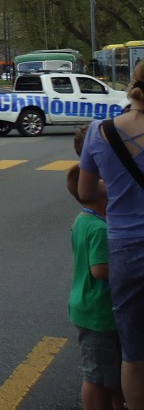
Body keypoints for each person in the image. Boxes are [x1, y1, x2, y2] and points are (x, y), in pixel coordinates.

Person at [79, 59, 144, 409]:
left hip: (126, 249)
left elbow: (87, 193)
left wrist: (116, 185)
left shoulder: (100, 131)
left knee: (134, 353)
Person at [67, 143, 125, 409]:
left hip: (89, 307)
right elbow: (100, 269)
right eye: (100, 178)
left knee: (110, 371)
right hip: (97, 311)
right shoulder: (99, 228)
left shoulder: (83, 220)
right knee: (97, 375)